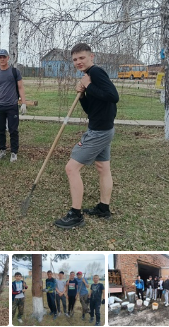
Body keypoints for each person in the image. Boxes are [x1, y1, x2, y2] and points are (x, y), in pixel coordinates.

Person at [55, 43, 119, 228]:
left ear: (92, 56)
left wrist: (89, 85)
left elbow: (113, 96)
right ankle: (103, 208)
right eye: (75, 59)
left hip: (99, 132)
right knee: (102, 167)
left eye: (82, 57)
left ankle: (76, 215)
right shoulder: (89, 76)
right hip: (102, 128)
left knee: (71, 168)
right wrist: (83, 95)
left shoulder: (96, 73)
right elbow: (91, 109)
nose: (78, 62)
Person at [0, 49, 27, 163]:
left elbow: (20, 88)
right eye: (0, 57)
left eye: (4, 57)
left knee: (13, 130)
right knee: (0, 129)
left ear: (8, 58)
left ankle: (14, 152)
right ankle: (2, 150)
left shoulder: (15, 72)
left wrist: (23, 102)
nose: (2, 59)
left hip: (12, 105)